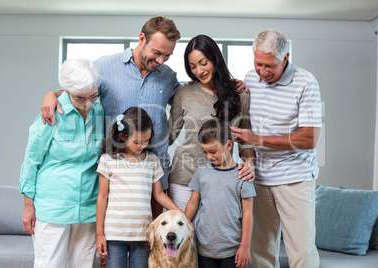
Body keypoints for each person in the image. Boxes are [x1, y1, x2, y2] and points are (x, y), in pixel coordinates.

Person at [40, 17, 247, 217]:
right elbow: (77, 90)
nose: (160, 60)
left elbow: (196, 97)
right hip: (117, 171)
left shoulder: (168, 76)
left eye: (167, 56)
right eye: (157, 53)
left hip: (154, 174)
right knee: (117, 238)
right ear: (142, 39)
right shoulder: (105, 66)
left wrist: (231, 86)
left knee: (153, 242)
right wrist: (53, 94)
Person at [230, 30, 322, 268]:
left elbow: (309, 139)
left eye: (270, 65)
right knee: (262, 249)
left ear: (286, 57)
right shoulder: (251, 79)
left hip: (295, 178)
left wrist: (258, 139)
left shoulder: (305, 82)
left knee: (301, 250)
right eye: (258, 63)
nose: (263, 71)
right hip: (259, 178)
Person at [19, 58, 104, 267]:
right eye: (80, 98)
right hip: (53, 206)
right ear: (65, 90)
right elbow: (31, 161)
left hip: (88, 207)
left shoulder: (99, 112)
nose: (87, 103)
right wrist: (28, 207)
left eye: (93, 96)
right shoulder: (51, 113)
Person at [168, 34, 255, 211]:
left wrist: (250, 164)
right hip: (184, 179)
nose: (199, 71)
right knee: (183, 237)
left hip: (223, 179)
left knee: (216, 236)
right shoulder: (184, 93)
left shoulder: (240, 94)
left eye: (203, 63)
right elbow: (170, 134)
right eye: (192, 66)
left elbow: (245, 140)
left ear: (215, 59)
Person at [95, 107, 184, 268]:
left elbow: (159, 195)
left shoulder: (152, 161)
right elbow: (102, 197)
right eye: (137, 141)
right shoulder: (108, 160)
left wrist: (180, 214)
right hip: (115, 234)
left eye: (146, 140)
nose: (142, 145)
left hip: (143, 235)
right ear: (122, 136)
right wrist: (100, 234)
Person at [185, 119, 255, 268]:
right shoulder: (201, 172)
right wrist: (183, 224)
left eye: (213, 151)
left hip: (232, 251)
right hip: (205, 249)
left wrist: (245, 247)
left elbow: (248, 214)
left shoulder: (243, 175)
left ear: (228, 145)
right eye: (204, 152)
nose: (208, 156)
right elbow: (193, 203)